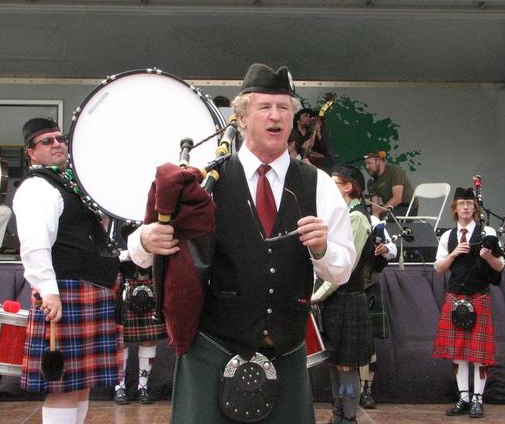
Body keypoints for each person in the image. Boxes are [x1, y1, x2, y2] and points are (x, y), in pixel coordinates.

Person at [127, 63, 355, 424]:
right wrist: (145, 238)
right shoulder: (206, 180)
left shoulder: (318, 184)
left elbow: (341, 269)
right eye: (264, 107)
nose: (276, 115)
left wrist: (322, 249)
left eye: (284, 108)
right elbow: (136, 255)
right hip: (212, 348)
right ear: (242, 118)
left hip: (286, 350)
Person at [13, 118, 122, 424]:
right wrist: (49, 291)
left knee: (80, 385)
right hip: (64, 292)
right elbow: (35, 245)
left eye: (60, 139)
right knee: (62, 386)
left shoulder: (72, 185)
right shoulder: (38, 187)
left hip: (89, 290)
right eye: (46, 141)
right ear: (31, 153)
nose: (57, 144)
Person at [432, 187, 504, 419]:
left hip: (478, 296)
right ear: (455, 208)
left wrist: (488, 256)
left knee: (479, 354)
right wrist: (453, 254)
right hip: (455, 298)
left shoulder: (487, 232)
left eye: (469, 204)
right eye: (461, 203)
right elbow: (439, 268)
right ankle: (463, 397)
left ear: (475, 208)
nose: (465, 207)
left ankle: (477, 400)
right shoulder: (447, 236)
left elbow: (500, 266)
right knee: (459, 353)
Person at [311, 164, 374, 424]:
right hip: (337, 300)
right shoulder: (341, 215)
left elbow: (345, 267)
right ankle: (338, 414)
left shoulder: (357, 217)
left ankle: (347, 418)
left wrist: (319, 295)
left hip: (348, 298)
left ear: (349, 186)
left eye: (335, 183)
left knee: (346, 366)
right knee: (335, 363)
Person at [113, 258, 167, 405]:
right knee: (121, 338)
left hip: (151, 277)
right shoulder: (117, 232)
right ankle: (120, 386)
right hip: (125, 279)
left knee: (149, 337)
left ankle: (143, 387)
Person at [359, 214, 397, 409]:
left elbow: (393, 250)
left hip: (369, 286)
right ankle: (347, 392)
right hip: (344, 287)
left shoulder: (373, 220)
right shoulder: (336, 214)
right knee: (346, 342)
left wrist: (385, 248)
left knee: (367, 342)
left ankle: (366, 390)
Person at [364, 151, 417, 220]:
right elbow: (375, 207)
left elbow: (397, 199)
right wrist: (374, 216)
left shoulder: (394, 171)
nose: (366, 167)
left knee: (385, 217)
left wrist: (378, 213)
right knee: (369, 219)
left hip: (408, 207)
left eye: (369, 163)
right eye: (366, 164)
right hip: (390, 209)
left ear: (378, 162)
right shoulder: (372, 182)